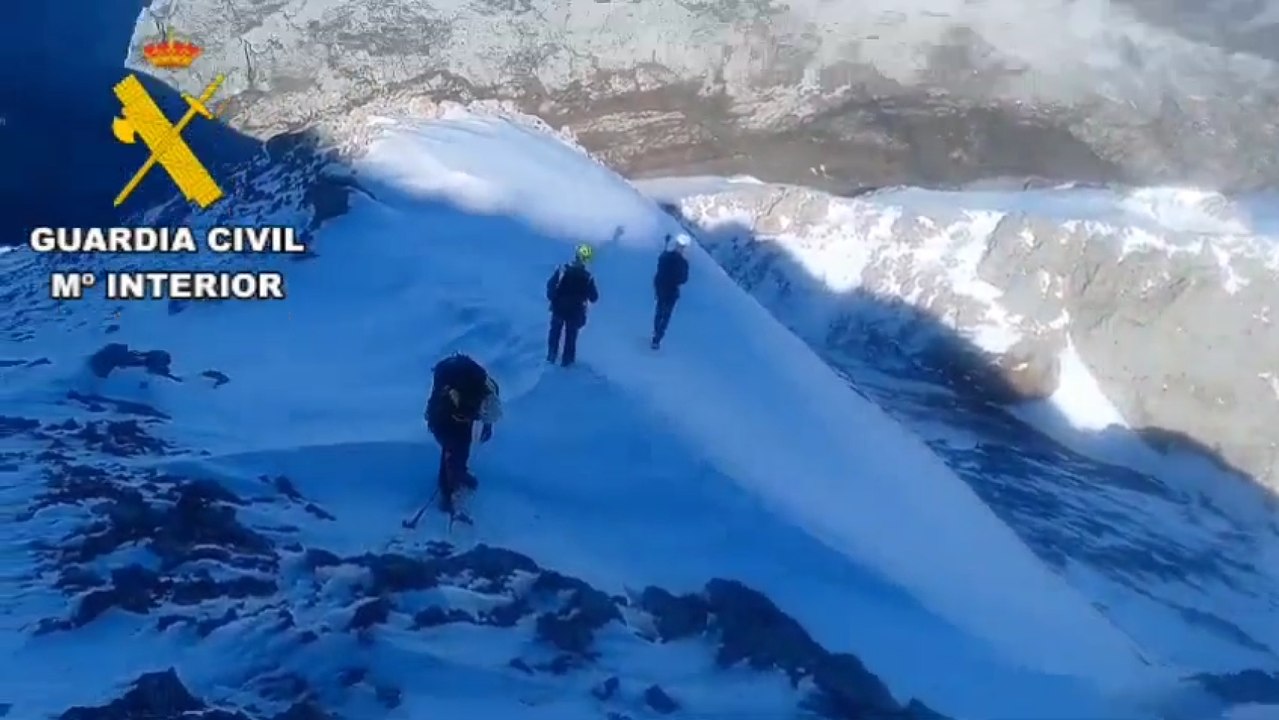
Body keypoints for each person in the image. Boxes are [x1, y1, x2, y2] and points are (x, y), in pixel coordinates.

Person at [424, 353, 502, 515]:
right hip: (444, 413)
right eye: (482, 417)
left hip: (463, 408)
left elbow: (489, 409)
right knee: (451, 450)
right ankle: (446, 491)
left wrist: (487, 426)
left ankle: (460, 472)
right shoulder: (452, 391)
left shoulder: (489, 389)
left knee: (463, 444)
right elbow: (439, 412)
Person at [546, 244, 600, 366]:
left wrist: (553, 299)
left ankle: (551, 356)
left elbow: (551, 286)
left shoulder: (562, 270)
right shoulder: (587, 277)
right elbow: (594, 297)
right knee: (571, 337)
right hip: (575, 312)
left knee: (555, 333)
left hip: (558, 307)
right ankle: (567, 362)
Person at [651, 234, 691, 349]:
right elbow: (684, 279)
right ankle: (657, 337)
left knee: (660, 311)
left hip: (662, 288)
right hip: (671, 290)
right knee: (666, 315)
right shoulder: (683, 263)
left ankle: (656, 334)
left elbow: (659, 267)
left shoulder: (666, 256)